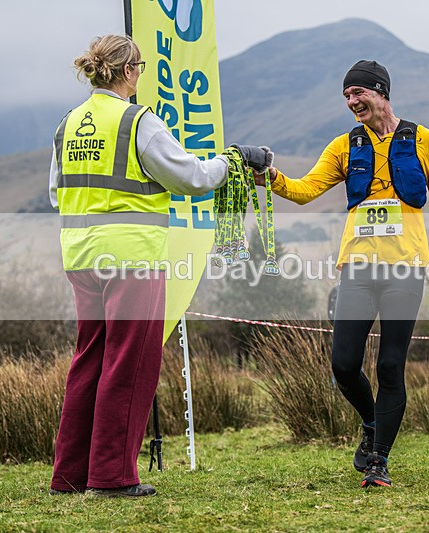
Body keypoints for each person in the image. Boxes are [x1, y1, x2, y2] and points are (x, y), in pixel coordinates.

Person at [48, 34, 270, 498]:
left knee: (89, 357)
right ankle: (111, 477)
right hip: (132, 257)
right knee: (129, 361)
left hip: (80, 255)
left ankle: (69, 475)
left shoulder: (67, 124)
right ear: (129, 71)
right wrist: (233, 161)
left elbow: (56, 192)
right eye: (141, 68)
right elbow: (190, 177)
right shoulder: (137, 121)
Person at [255, 60, 429, 488]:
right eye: (346, 97)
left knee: (391, 367)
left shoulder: (423, 140)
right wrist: (268, 176)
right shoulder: (345, 146)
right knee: (343, 365)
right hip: (356, 269)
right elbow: (304, 191)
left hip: (406, 270)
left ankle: (379, 461)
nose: (352, 102)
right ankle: (372, 423)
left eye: (358, 93)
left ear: (381, 92)